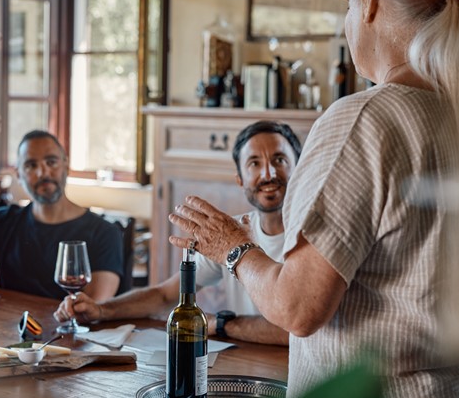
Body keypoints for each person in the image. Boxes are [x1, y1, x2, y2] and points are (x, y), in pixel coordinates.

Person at [166, 0, 459, 398]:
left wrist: (231, 246)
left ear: (370, 1)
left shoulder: (363, 119)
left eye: (349, 3)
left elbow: (298, 308)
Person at [54, 121, 302, 346]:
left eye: (279, 160)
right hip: (246, 359)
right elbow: (164, 295)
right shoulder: (228, 234)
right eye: (254, 163)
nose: (268, 174)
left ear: (300, 169)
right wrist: (102, 310)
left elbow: (302, 326)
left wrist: (223, 324)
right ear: (239, 179)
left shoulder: (314, 238)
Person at [0, 130, 123, 301]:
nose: (43, 173)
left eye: (51, 162)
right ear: (19, 175)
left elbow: (94, 308)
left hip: (65, 343)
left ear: (66, 166)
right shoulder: (0, 222)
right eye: (31, 165)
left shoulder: (104, 233)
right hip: (2, 338)